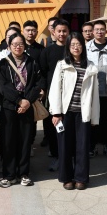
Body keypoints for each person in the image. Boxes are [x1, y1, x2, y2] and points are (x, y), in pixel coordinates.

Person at [49, 32, 100, 190]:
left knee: (82, 147)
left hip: (83, 112)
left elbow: (94, 94)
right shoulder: (62, 65)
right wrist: (56, 112)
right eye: (72, 45)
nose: (76, 48)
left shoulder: (90, 66)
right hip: (66, 113)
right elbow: (55, 89)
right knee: (65, 146)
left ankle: (81, 178)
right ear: (68, 47)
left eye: (78, 44)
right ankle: (66, 177)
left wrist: (94, 117)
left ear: (83, 46)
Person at [0, 32, 41, 188]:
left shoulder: (32, 62)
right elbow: (2, 86)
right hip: (9, 107)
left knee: (25, 140)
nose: (18, 47)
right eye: (14, 44)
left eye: (21, 44)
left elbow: (37, 83)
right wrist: (18, 101)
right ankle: (9, 175)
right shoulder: (3, 64)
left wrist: (27, 101)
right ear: (9, 46)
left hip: (27, 105)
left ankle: (24, 173)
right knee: (8, 140)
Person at [40, 18, 70, 172]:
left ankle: (68, 157)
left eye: (64, 31)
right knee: (54, 126)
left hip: (71, 95)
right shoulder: (48, 51)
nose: (62, 34)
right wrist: (43, 90)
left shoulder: (73, 49)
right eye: (59, 31)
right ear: (53, 32)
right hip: (53, 95)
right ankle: (56, 156)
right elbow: (42, 72)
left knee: (69, 127)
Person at [86, 20, 107, 158]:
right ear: (93, 32)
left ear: (106, 31)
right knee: (92, 119)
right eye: (97, 29)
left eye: (102, 29)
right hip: (92, 90)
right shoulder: (86, 47)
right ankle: (91, 144)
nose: (99, 32)